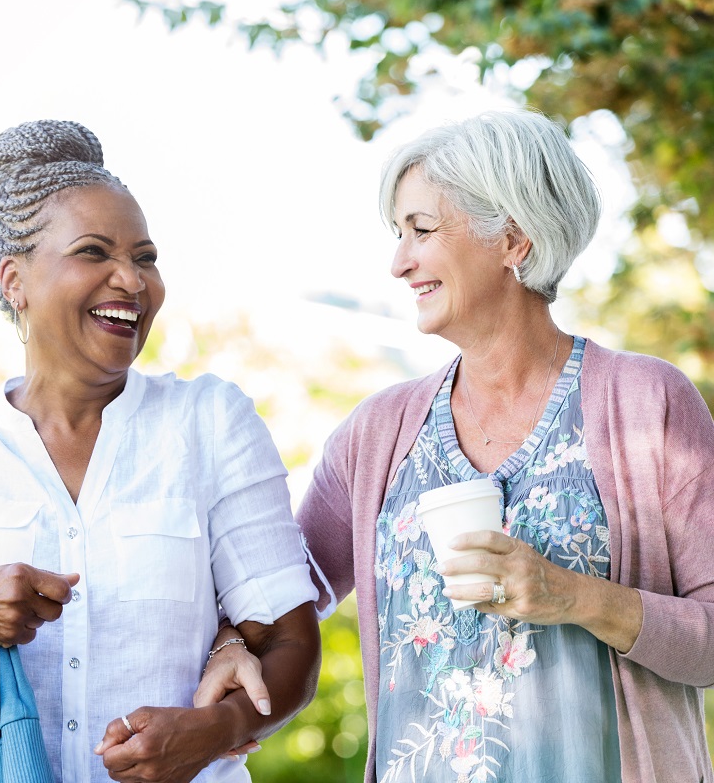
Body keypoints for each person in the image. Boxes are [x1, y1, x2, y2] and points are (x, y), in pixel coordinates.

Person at [199, 109, 714, 782]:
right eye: (397, 234)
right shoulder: (376, 434)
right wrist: (232, 642)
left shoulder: (648, 403)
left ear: (515, 238)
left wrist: (573, 596)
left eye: (422, 230)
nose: (398, 262)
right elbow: (279, 592)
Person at [0, 119, 322, 783]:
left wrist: (215, 730)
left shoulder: (209, 424)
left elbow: (291, 642)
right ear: (14, 279)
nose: (131, 281)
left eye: (144, 257)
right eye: (94, 252)